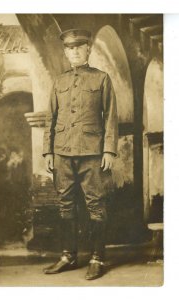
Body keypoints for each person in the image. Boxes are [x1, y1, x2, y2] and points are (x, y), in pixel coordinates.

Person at [42, 29, 118, 280]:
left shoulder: (102, 79)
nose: (74, 51)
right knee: (65, 202)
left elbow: (111, 118)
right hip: (62, 152)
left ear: (88, 50)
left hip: (92, 152)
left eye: (79, 47)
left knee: (95, 203)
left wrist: (108, 150)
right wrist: (48, 151)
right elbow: (50, 119)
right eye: (69, 48)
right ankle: (68, 256)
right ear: (65, 52)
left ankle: (98, 258)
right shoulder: (59, 81)